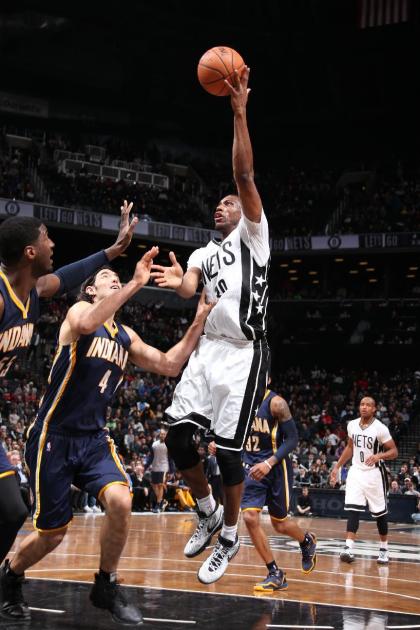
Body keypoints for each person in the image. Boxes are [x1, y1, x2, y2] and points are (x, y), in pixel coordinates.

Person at [0, 256, 214, 625]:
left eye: (117, 278)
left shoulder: (126, 336)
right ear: (90, 289)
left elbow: (168, 364)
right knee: (52, 534)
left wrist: (199, 320)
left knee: (120, 499)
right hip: (53, 436)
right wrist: (133, 283)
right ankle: (11, 575)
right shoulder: (80, 311)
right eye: (106, 277)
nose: (114, 280)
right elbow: (86, 322)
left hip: (94, 439)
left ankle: (106, 583)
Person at [151, 67, 270, 585]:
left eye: (225, 202)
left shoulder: (254, 233)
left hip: (245, 352)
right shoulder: (203, 250)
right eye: (217, 204)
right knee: (178, 438)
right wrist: (179, 280)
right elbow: (187, 290)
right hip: (207, 350)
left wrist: (238, 110)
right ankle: (206, 513)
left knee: (227, 451)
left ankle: (229, 538)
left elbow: (243, 176)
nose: (219, 206)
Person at [0, 200, 136, 600]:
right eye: (46, 238)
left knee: (12, 510)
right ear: (30, 252)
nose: (52, 243)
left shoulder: (35, 290)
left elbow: (69, 273)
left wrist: (113, 251)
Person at [236, 389, 316, 591]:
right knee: (249, 518)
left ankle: (306, 541)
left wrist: (269, 463)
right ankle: (275, 573)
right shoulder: (236, 399)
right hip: (251, 467)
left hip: (276, 467)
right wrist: (216, 443)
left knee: (279, 524)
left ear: (267, 378)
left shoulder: (276, 403)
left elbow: (292, 440)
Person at [330, 396, 398, 565]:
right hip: (356, 471)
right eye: (362, 404)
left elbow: (394, 451)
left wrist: (379, 456)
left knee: (380, 513)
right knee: (353, 510)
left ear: (374, 409)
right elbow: (350, 447)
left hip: (375, 474)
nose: (364, 407)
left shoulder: (380, 428)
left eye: (368, 405)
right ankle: (348, 548)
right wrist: (337, 467)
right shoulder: (352, 424)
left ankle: (383, 549)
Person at [147, 428, 171, 512]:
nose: (162, 435)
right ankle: (161, 501)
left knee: (161, 484)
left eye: (164, 434)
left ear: (166, 435)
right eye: (161, 434)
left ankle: (157, 505)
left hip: (164, 467)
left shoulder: (169, 445)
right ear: (159, 435)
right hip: (155, 466)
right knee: (154, 485)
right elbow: (150, 457)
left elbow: (171, 459)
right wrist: (146, 466)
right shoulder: (154, 444)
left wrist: (172, 471)